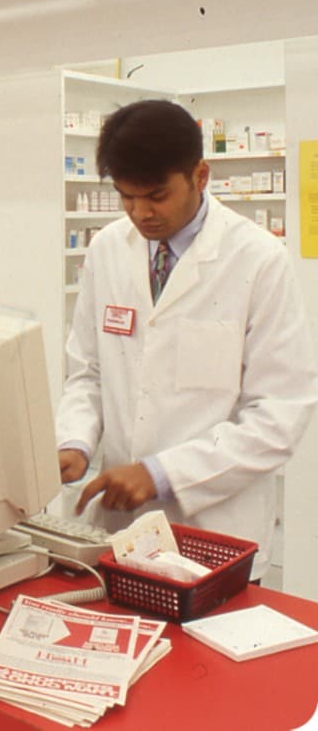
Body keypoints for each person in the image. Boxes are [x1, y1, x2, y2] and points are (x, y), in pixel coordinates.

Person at [56, 99, 318, 579]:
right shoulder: (108, 249)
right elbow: (88, 372)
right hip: (115, 529)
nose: (140, 214)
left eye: (156, 195)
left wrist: (161, 473)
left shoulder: (258, 260)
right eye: (126, 197)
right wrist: (74, 440)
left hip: (212, 531)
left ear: (200, 176)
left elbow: (279, 416)